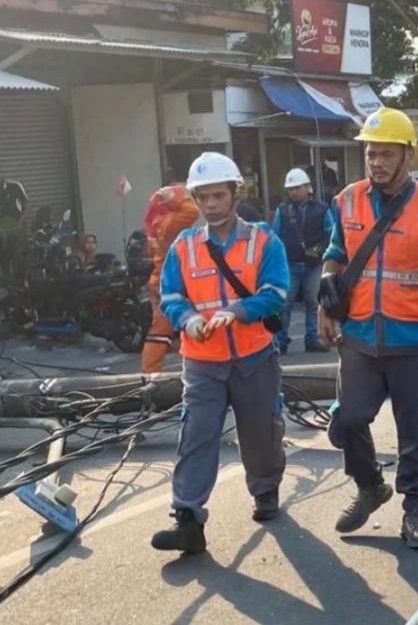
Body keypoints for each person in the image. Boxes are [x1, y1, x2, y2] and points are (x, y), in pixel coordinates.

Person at [319, 107, 418, 549]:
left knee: (415, 432)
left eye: (386, 154)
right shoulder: (346, 200)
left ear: (407, 155)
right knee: (346, 420)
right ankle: (370, 486)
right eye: (370, 154)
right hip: (360, 336)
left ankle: (415, 512)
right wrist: (325, 306)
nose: (377, 162)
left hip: (415, 339)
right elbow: (335, 256)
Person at [151, 152, 289, 554]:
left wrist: (237, 312)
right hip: (203, 363)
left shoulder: (264, 240)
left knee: (260, 432)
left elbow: (276, 293)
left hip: (255, 358)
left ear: (234, 193)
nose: (211, 205)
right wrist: (187, 318)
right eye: (203, 197)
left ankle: (265, 491)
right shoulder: (185, 246)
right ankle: (188, 518)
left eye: (218, 195)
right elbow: (171, 296)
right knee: (196, 434)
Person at [140, 185, 199, 373]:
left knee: (166, 330)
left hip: (163, 281)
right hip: (172, 284)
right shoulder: (168, 222)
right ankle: (151, 373)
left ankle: (151, 372)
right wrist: (176, 199)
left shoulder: (156, 221)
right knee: (164, 330)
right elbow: (192, 212)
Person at [271, 168, 331, 354]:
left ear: (308, 188)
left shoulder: (322, 209)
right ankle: (281, 340)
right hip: (290, 264)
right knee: (284, 305)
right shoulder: (282, 210)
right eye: (291, 189)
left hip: (313, 265)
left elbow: (331, 233)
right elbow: (275, 238)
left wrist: (320, 250)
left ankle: (312, 338)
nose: (294, 192)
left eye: (297, 188)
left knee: (313, 303)